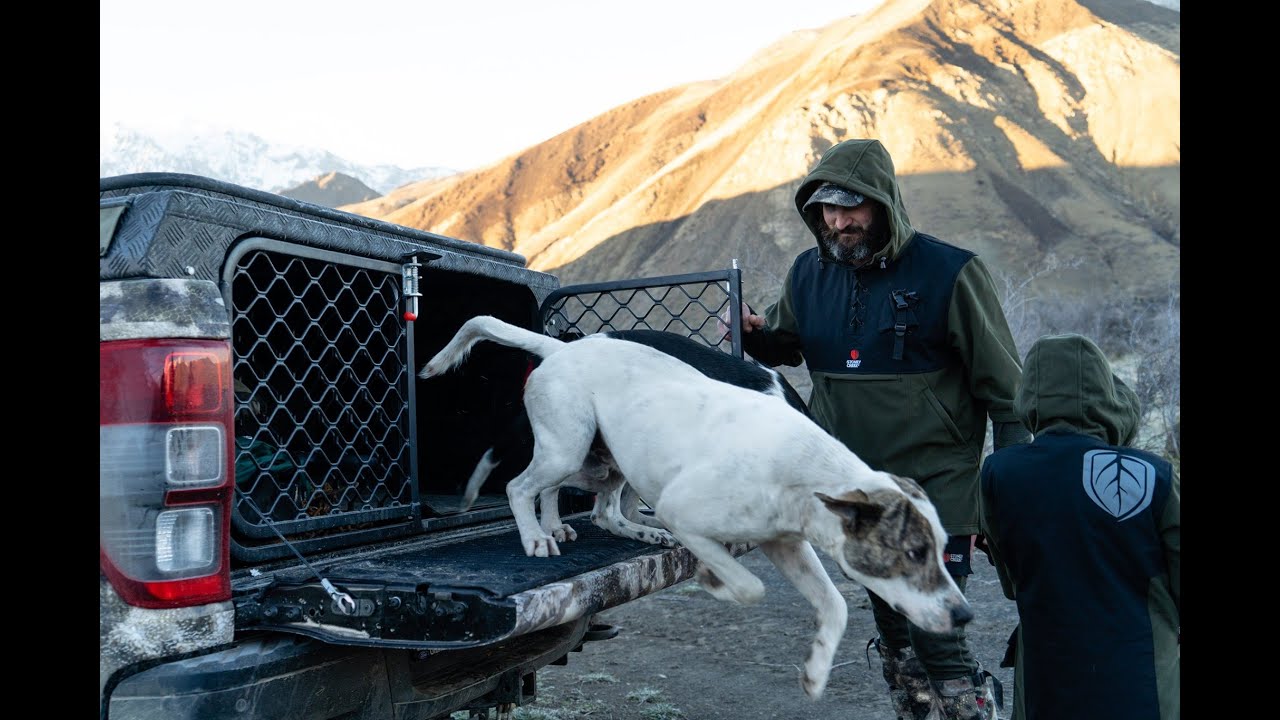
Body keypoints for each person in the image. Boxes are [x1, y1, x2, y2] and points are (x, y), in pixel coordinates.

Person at [728, 138, 1027, 720]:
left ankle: (972, 710)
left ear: (883, 203)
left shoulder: (951, 271)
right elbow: (785, 343)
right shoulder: (808, 274)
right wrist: (754, 332)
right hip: (851, 487)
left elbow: (1006, 395)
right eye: (827, 209)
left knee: (935, 628)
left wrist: (1005, 490)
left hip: (934, 485)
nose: (838, 221)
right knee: (894, 629)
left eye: (851, 206)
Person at [978, 333, 1180, 720]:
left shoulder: (999, 473)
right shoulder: (1155, 475)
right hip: (1142, 679)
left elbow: (1012, 581)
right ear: (1106, 391)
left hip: (1046, 677)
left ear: (1030, 395)